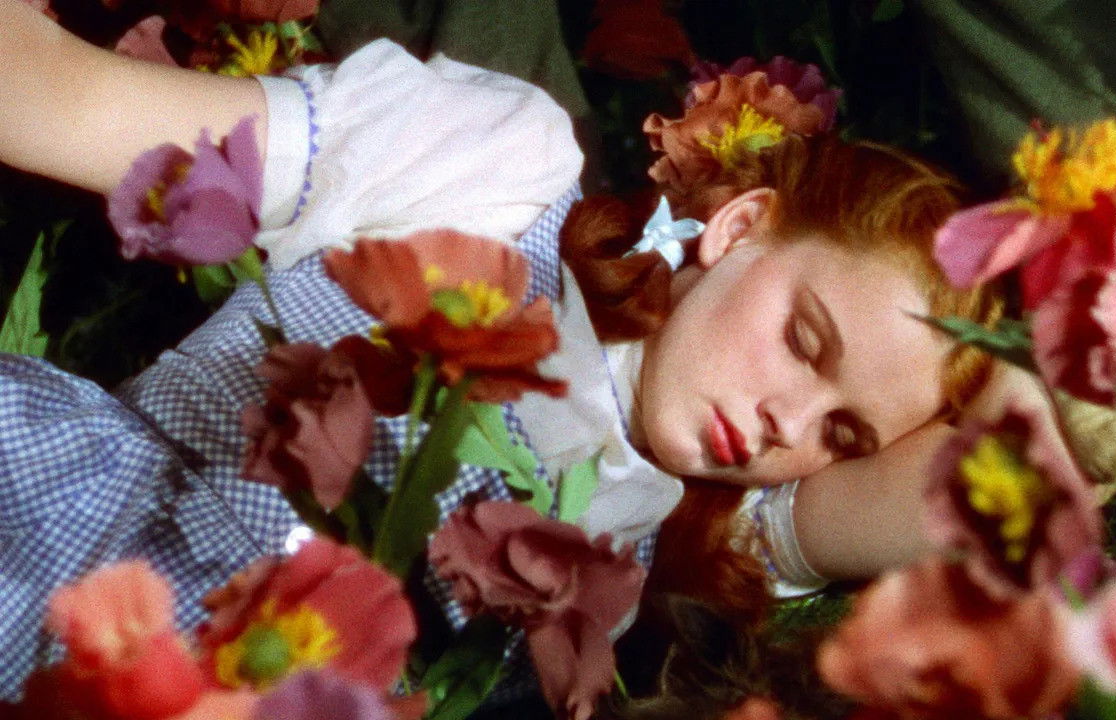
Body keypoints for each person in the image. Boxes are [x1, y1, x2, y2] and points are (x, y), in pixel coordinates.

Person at [0, 0, 1029, 707]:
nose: (785, 423)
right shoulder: (502, 173)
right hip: (50, 528)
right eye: (804, 342)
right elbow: (64, 101)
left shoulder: (683, 523)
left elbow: (1026, 473)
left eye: (841, 435)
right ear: (738, 226)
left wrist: (1062, 278)